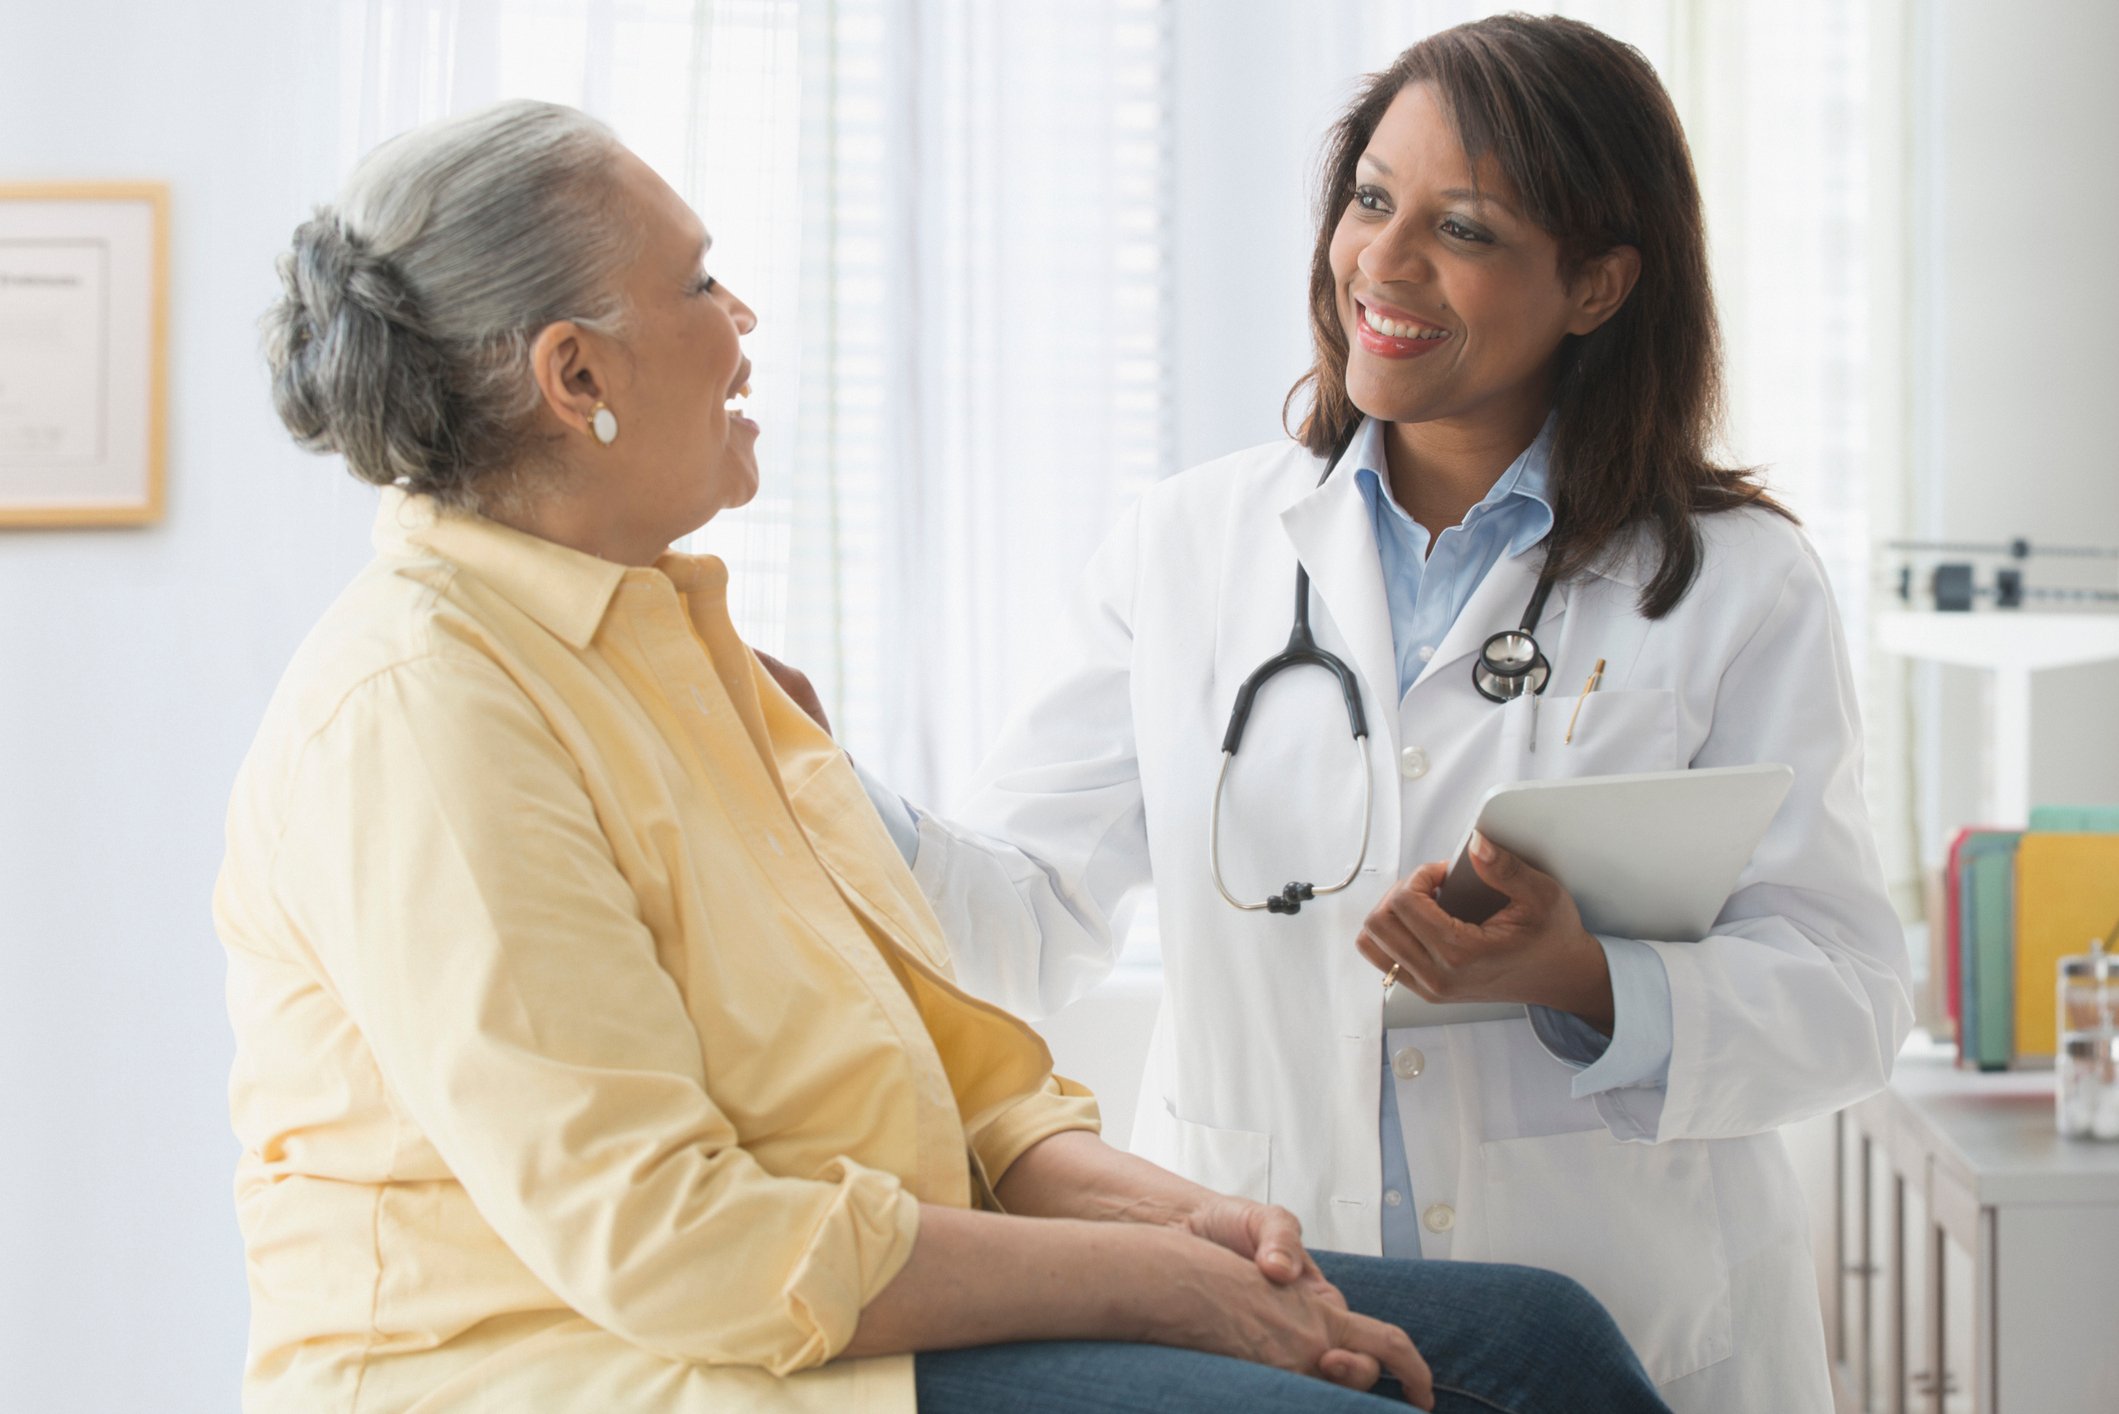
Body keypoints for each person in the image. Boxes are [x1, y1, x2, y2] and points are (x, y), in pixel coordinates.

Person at [216, 98, 1674, 1414]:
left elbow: (958, 1083)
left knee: (1545, 1346)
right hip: (601, 1362)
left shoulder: (684, 645)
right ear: (573, 371)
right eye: (699, 281)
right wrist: (1161, 1287)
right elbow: (674, 1245)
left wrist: (1187, 1224)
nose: (743, 319)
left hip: (829, 1305)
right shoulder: (426, 711)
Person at [850, 16, 1913, 1411]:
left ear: (1596, 283)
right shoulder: (1192, 546)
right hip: (1285, 1304)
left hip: (1630, 1323)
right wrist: (816, 784)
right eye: (1370, 200)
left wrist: (1585, 978)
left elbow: (1848, 994)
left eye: (1462, 229)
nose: (1384, 265)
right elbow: (1021, 917)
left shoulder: (1732, 584)